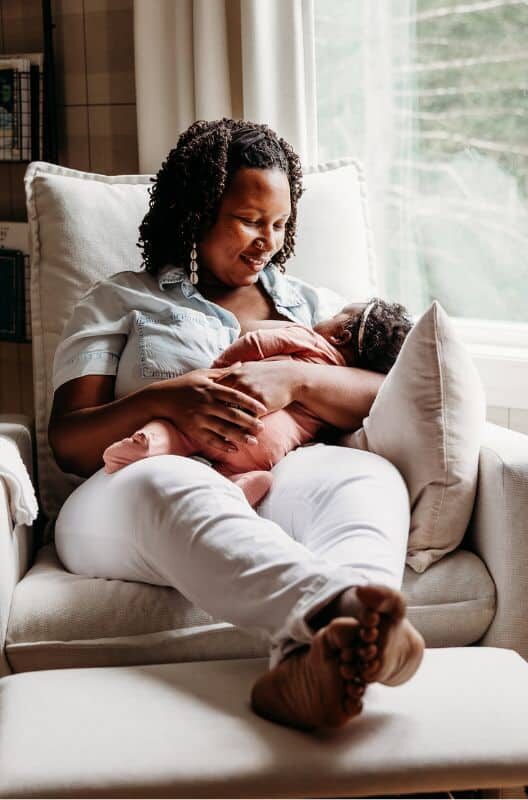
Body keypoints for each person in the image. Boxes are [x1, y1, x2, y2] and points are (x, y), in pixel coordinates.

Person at [48, 118, 425, 731]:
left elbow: (391, 391)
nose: (266, 242)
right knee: (170, 483)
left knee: (366, 473)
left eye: (278, 225)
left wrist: (297, 380)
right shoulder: (120, 301)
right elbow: (68, 442)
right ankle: (340, 614)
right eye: (249, 220)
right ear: (195, 212)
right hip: (130, 486)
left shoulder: (313, 307)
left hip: (274, 481)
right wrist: (164, 400)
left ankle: (330, 656)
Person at [101, 300, 413, 506]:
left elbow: (255, 341)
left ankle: (148, 444)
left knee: (179, 432)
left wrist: (222, 365)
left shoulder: (306, 337)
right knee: (221, 468)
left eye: (335, 315)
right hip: (269, 445)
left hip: (230, 407)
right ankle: (239, 483)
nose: (324, 317)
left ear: (340, 335)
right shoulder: (342, 387)